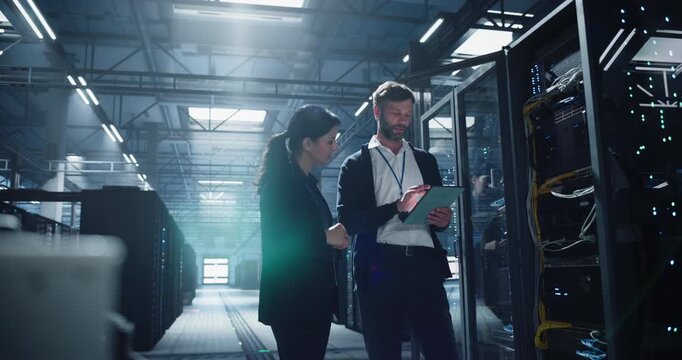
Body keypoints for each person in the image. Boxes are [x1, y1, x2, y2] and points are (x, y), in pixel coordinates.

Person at [337, 81, 458, 359]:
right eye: (395, 113)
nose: (402, 120)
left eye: (407, 114)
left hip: (424, 266)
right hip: (380, 268)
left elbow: (437, 216)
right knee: (384, 352)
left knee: (443, 350)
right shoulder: (355, 165)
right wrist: (396, 207)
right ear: (377, 113)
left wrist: (443, 218)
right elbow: (349, 223)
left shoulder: (424, 160)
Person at [256, 105, 350, 359]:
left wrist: (333, 238)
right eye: (330, 141)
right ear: (307, 143)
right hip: (293, 299)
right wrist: (325, 237)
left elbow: (302, 229)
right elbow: (279, 241)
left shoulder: (306, 183)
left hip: (311, 297)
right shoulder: (279, 183)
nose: (335, 147)